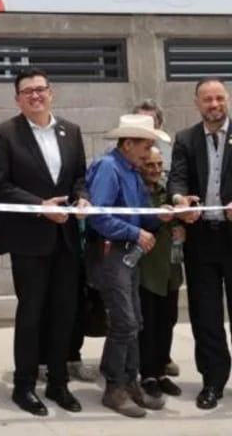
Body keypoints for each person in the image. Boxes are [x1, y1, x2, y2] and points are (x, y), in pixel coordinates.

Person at [0, 67, 90, 417]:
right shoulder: (5, 134)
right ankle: (24, 385)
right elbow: (0, 185)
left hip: (66, 239)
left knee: (64, 312)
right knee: (31, 313)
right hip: (30, 239)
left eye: (40, 89)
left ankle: (58, 382)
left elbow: (80, 177)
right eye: (27, 91)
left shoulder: (71, 131)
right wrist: (39, 206)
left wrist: (82, 198)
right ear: (18, 99)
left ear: (51, 92)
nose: (35, 95)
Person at [86, 114, 171, 417]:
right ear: (128, 144)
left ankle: (128, 382)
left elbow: (140, 214)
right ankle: (115, 386)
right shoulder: (109, 168)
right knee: (125, 321)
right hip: (112, 254)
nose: (149, 153)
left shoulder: (131, 171)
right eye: (146, 146)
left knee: (134, 320)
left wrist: (158, 216)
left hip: (126, 253)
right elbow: (98, 216)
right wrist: (136, 232)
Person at [168, 77, 232, 410]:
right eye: (207, 99)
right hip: (202, 238)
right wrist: (180, 200)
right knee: (205, 315)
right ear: (197, 103)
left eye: (219, 98)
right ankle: (212, 382)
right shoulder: (186, 139)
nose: (214, 105)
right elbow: (176, 178)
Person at [138, 147, 183, 399]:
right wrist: (157, 219)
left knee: (168, 320)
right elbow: (137, 221)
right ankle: (148, 375)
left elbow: (180, 220)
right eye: (150, 165)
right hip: (147, 270)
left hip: (171, 269)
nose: (155, 170)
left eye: (159, 164)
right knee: (148, 323)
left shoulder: (168, 192)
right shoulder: (137, 192)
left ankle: (161, 371)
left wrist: (181, 228)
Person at [133, 99, 173, 175]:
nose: (145, 128)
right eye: (141, 122)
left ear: (160, 125)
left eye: (150, 123)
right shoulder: (118, 151)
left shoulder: (168, 152)